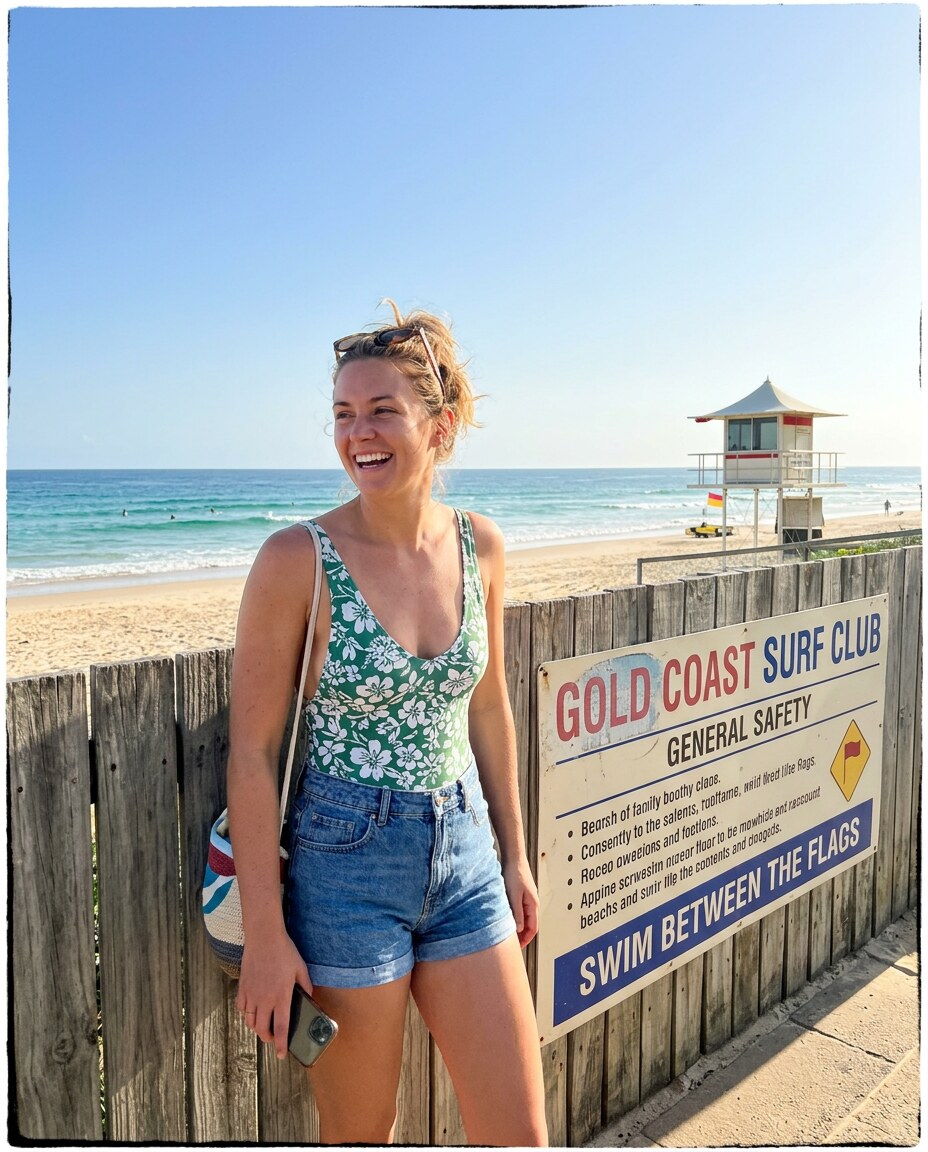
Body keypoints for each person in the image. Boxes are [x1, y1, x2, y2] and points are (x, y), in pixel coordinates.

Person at [226, 301, 548, 1146]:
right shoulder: (297, 560)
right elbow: (255, 754)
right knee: (365, 1135)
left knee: (520, 1134)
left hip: (465, 852)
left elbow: (488, 705)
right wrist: (266, 932)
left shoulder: (482, 545)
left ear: (438, 427)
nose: (356, 432)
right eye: (342, 412)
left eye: (380, 411)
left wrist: (514, 854)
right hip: (344, 869)